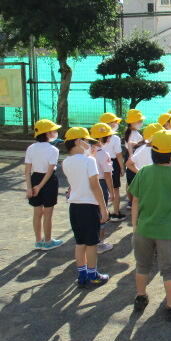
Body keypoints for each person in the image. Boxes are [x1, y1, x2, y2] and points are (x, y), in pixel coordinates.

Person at [128, 130, 171, 321]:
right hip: (168, 232)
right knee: (169, 271)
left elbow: (135, 200)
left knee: (142, 266)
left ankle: (140, 296)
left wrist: (135, 225)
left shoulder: (144, 172)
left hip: (143, 229)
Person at [62, 127, 110, 287]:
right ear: (78, 142)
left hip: (74, 207)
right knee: (91, 243)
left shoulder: (66, 162)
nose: (89, 144)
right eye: (86, 141)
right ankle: (93, 274)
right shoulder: (90, 161)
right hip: (89, 207)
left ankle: (82, 275)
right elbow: (95, 186)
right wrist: (103, 208)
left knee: (80, 242)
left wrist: (91, 156)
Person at [24, 119, 63, 251]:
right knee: (48, 213)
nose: (55, 132)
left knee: (37, 213)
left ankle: (38, 241)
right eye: (53, 130)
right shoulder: (53, 150)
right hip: (49, 182)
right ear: (47, 133)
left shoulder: (31, 148)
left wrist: (30, 188)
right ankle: (48, 241)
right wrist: (40, 186)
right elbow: (50, 171)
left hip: (34, 179)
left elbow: (27, 171)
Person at [90, 122, 117, 254]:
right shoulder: (103, 154)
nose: (110, 138)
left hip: (88, 184)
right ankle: (99, 243)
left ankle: (90, 241)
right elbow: (107, 175)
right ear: (101, 138)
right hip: (100, 184)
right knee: (102, 213)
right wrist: (112, 192)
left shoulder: (87, 151)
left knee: (92, 212)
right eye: (108, 136)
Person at [99, 112, 126, 222]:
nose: (116, 124)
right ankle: (116, 212)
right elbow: (118, 154)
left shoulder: (97, 136)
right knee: (115, 189)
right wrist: (122, 168)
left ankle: (102, 213)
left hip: (98, 162)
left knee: (101, 188)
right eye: (114, 122)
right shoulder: (115, 138)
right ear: (108, 124)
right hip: (112, 163)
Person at [124, 109, 145, 210]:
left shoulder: (130, 132)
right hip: (134, 160)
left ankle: (131, 202)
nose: (141, 123)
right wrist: (132, 155)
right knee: (135, 183)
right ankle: (133, 202)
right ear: (132, 122)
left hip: (130, 159)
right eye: (139, 121)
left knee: (130, 182)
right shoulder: (134, 134)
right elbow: (131, 145)